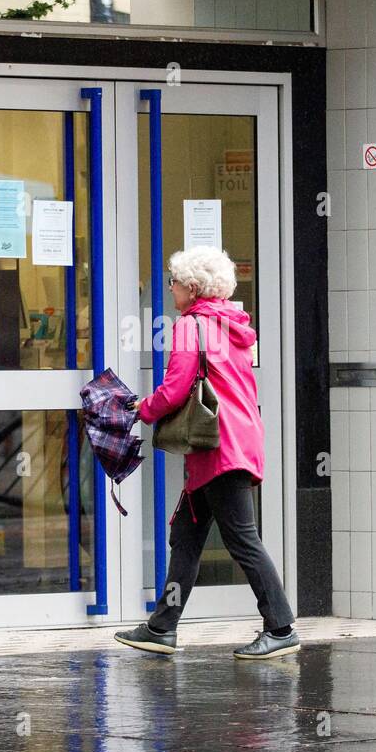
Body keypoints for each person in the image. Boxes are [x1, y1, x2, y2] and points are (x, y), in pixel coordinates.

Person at [113, 245, 299, 660]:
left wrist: (143, 409)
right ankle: (162, 627)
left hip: (220, 448)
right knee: (186, 535)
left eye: (174, 282)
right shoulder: (232, 326)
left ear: (192, 288)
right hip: (234, 441)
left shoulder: (191, 325)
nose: (171, 289)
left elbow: (177, 387)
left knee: (241, 538)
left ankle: (281, 626)